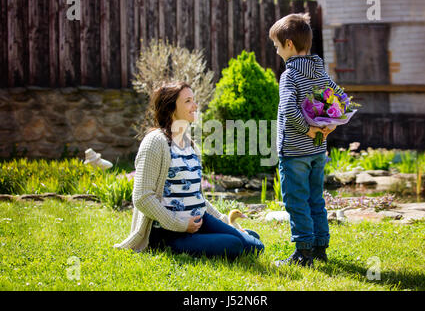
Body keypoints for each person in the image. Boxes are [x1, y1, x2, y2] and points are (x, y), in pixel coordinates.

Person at [114, 82, 264, 260]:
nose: (195, 106)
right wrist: (181, 224)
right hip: (169, 232)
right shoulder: (155, 142)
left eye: (194, 100)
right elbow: (142, 197)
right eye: (188, 101)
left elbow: (197, 198)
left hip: (200, 221)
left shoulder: (190, 144)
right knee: (235, 245)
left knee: (256, 245)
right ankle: (201, 241)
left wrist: (225, 222)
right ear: (171, 108)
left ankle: (222, 237)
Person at [269, 13, 341, 267]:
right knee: (315, 198)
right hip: (318, 150)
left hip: (295, 151)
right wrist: (331, 124)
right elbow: (339, 96)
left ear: (289, 44)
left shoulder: (290, 75)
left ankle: (303, 253)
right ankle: (320, 246)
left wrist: (307, 129)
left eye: (277, 46)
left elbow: (289, 109)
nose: (277, 52)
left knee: (296, 200)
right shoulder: (319, 70)